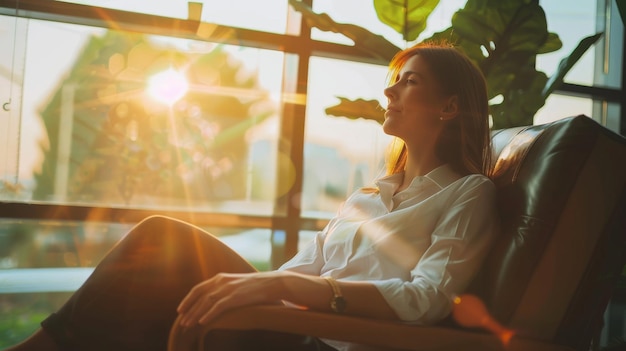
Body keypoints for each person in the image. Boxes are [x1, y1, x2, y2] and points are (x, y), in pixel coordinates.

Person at [4, 41, 497, 351]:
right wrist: (257, 290)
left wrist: (279, 291)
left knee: (160, 242)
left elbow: (427, 300)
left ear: (450, 107)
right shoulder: (368, 195)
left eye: (409, 83)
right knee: (163, 270)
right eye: (393, 81)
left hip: (334, 343)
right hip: (288, 327)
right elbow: (298, 272)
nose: (390, 93)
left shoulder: (468, 194)